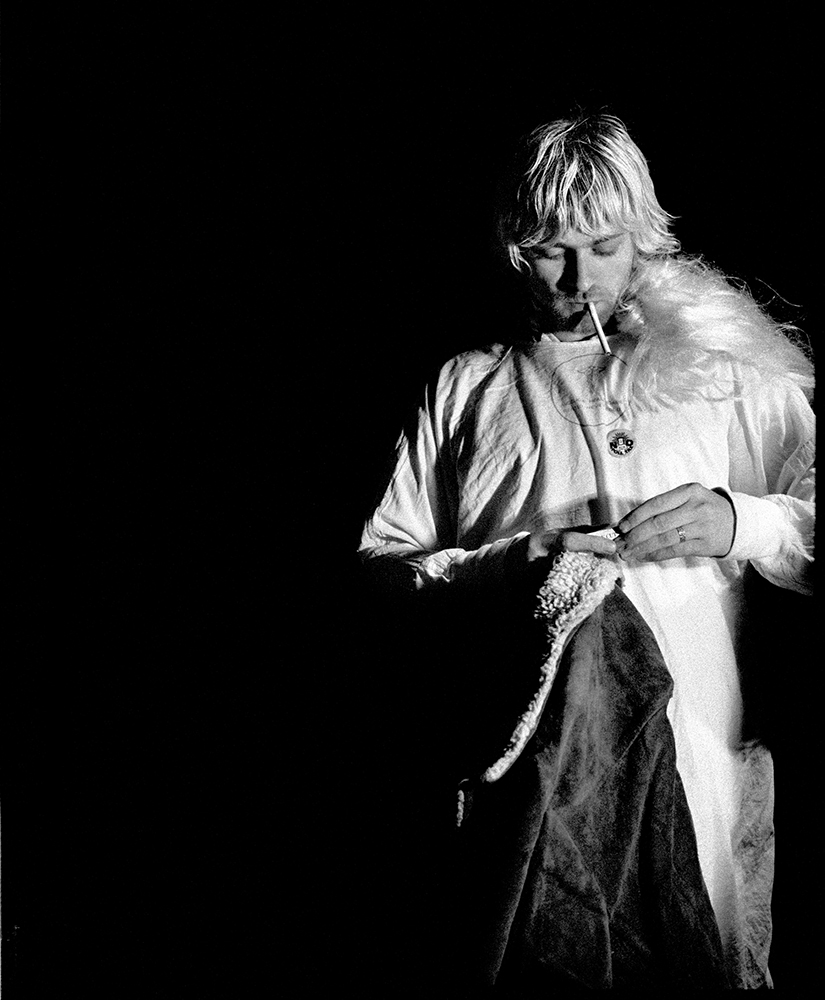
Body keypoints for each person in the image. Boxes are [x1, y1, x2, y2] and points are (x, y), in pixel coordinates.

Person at [358, 113, 814, 989]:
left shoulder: (718, 362)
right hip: (531, 777)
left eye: (603, 247)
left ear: (642, 235)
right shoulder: (467, 386)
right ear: (511, 249)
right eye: (549, 252)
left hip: (700, 755)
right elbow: (379, 574)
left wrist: (742, 522)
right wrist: (509, 564)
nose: (580, 279)